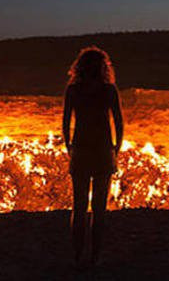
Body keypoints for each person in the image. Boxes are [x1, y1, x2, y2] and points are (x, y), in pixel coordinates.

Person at [62, 45, 124, 267]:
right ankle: (95, 257)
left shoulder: (73, 90)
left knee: (79, 207)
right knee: (99, 210)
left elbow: (65, 123)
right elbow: (118, 122)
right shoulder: (109, 91)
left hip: (81, 151)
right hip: (102, 153)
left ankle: (77, 255)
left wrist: (70, 147)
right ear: (103, 67)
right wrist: (115, 149)